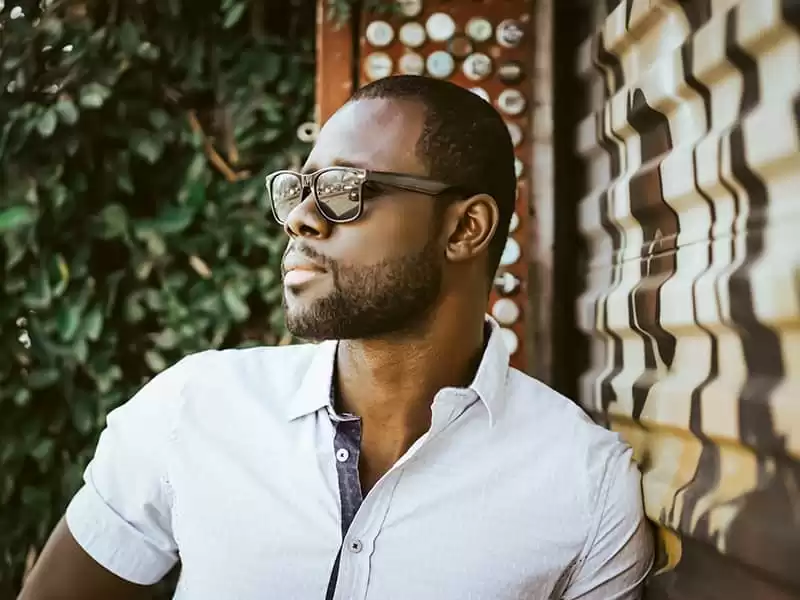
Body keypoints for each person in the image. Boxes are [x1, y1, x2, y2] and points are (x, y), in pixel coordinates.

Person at [20, 75, 653, 600]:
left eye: (343, 190)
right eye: (299, 189)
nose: (300, 217)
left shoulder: (585, 487)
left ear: (465, 229)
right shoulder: (194, 407)